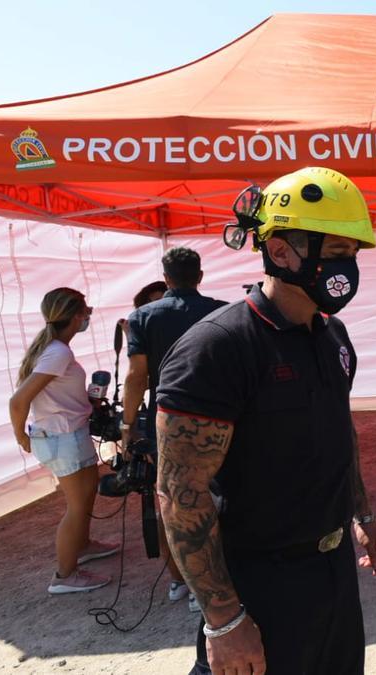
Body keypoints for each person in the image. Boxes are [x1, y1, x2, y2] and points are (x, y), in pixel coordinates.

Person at [156, 167, 376, 675]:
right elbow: (181, 494)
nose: (347, 268)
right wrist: (223, 620)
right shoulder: (217, 348)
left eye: (353, 255)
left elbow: (338, 432)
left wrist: (364, 515)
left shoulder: (333, 336)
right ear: (281, 251)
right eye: (334, 253)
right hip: (258, 583)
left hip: (332, 573)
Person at [121, 248, 225, 611]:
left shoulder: (142, 317)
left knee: (174, 502)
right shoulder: (223, 310)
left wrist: (127, 424)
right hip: (221, 416)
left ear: (165, 279)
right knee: (220, 498)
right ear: (200, 275)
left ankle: (182, 581)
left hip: (166, 419)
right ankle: (214, 582)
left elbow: (136, 376)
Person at [8, 287, 119, 594]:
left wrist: (86, 402)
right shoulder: (58, 352)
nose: (89, 317)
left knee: (86, 496)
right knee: (76, 505)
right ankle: (65, 575)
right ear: (75, 315)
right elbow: (18, 402)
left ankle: (82, 546)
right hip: (62, 438)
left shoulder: (54, 350)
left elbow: (52, 395)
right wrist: (21, 437)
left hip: (66, 434)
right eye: (87, 311)